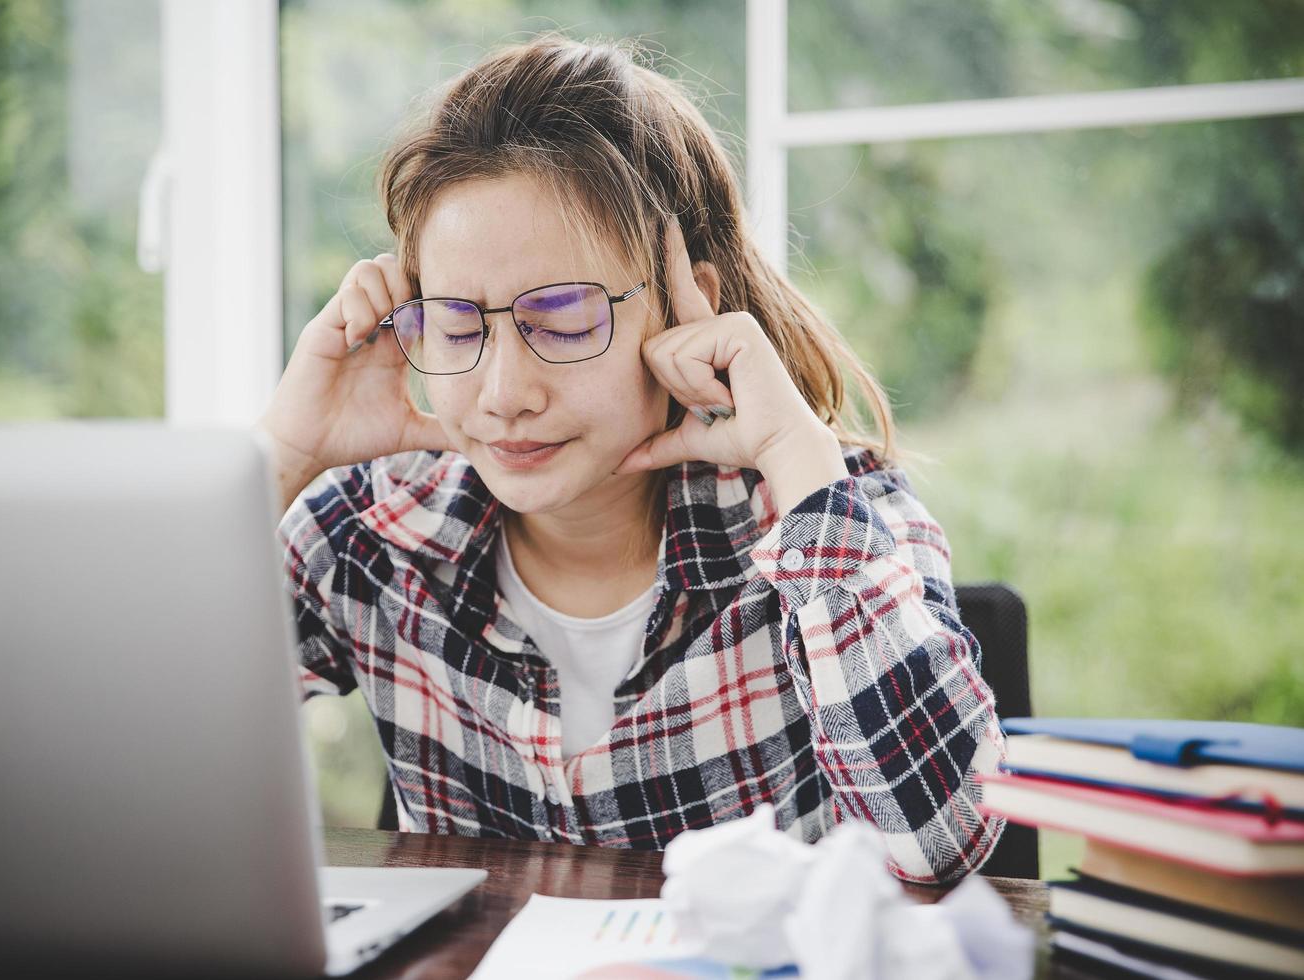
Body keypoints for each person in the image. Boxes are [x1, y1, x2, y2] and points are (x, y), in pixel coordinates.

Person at [255, 32, 1007, 884]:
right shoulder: (372, 527)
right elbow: (105, 769)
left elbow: (941, 844)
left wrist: (795, 457)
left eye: (565, 321)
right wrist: (282, 456)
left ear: (691, 311)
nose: (504, 392)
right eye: (459, 325)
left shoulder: (829, 511)